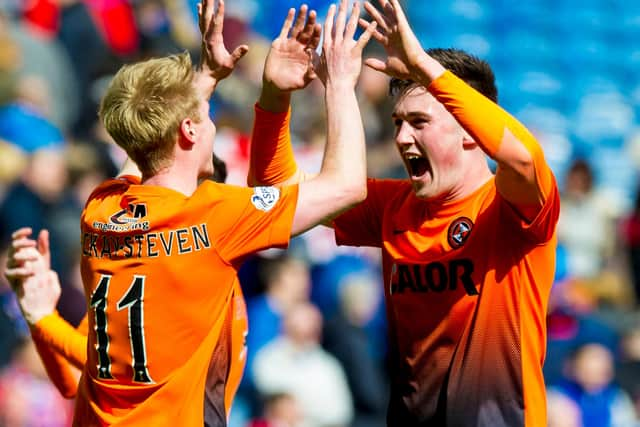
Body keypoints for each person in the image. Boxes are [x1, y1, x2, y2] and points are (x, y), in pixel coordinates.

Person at [4, 0, 377, 425]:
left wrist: (40, 317)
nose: (212, 127)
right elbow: (347, 186)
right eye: (205, 118)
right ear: (189, 131)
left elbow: (72, 380)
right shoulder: (214, 218)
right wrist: (342, 83)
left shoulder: (101, 210)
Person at [248, 0, 561, 425]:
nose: (402, 137)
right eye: (398, 122)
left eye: (419, 121)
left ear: (471, 132)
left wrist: (420, 63)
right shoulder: (392, 206)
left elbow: (524, 158)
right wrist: (274, 97)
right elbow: (273, 193)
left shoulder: (512, 209)